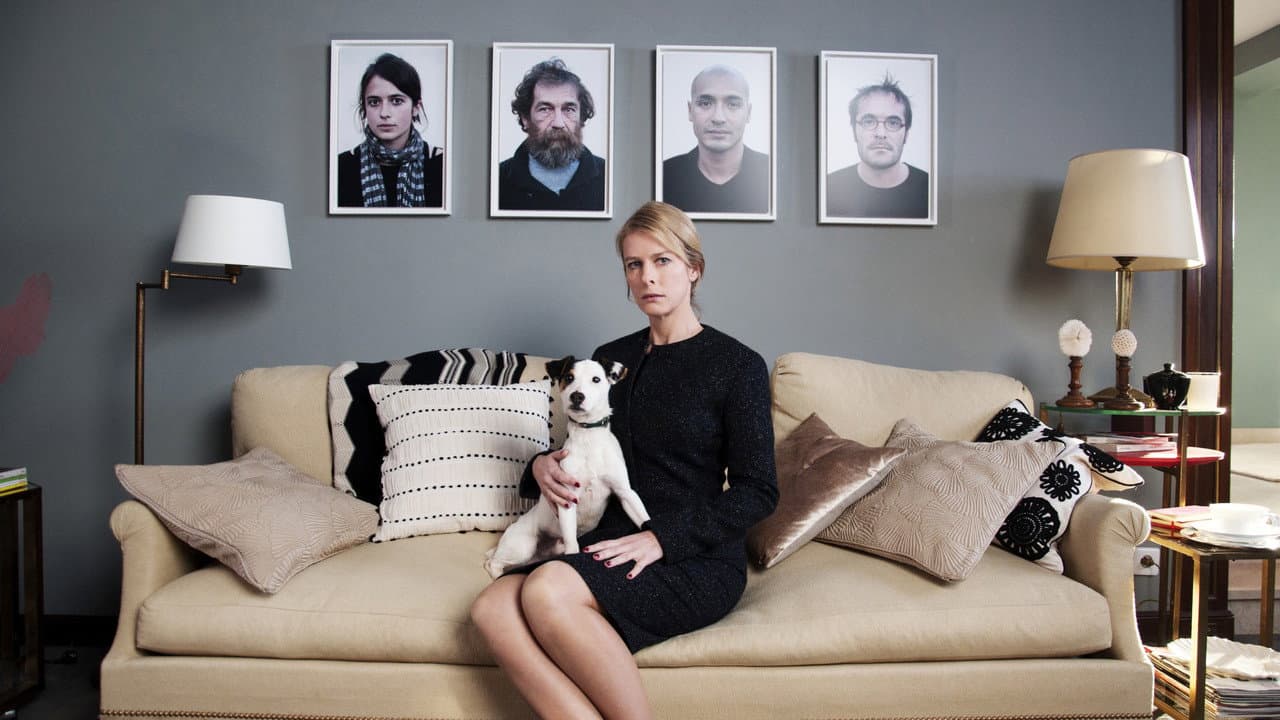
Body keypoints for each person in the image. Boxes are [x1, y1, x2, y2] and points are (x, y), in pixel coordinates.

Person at [470, 201, 778, 719]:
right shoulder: (612, 356)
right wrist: (541, 464)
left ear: (694, 269)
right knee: (490, 610)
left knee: (546, 590)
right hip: (610, 539)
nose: (647, 277)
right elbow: (587, 445)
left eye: (662, 261)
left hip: (693, 556)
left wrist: (662, 538)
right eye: (634, 264)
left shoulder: (737, 365)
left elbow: (759, 491)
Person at [497, 58, 606, 212]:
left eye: (569, 109)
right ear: (525, 118)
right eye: (545, 109)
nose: (558, 123)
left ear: (581, 117)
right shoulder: (497, 179)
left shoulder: (608, 177)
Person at [337, 53, 444, 208]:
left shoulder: (442, 164)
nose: (384, 113)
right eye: (374, 102)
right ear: (364, 108)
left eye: (396, 101)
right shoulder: (341, 167)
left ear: (416, 107)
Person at [661, 65, 770, 214]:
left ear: (748, 113)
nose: (718, 118)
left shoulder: (772, 175)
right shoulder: (664, 175)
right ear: (690, 111)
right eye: (705, 103)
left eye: (733, 105)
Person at [825, 74, 929, 219]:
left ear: (906, 134)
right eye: (868, 121)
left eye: (893, 123)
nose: (881, 134)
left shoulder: (931, 190)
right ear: (854, 131)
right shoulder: (828, 188)